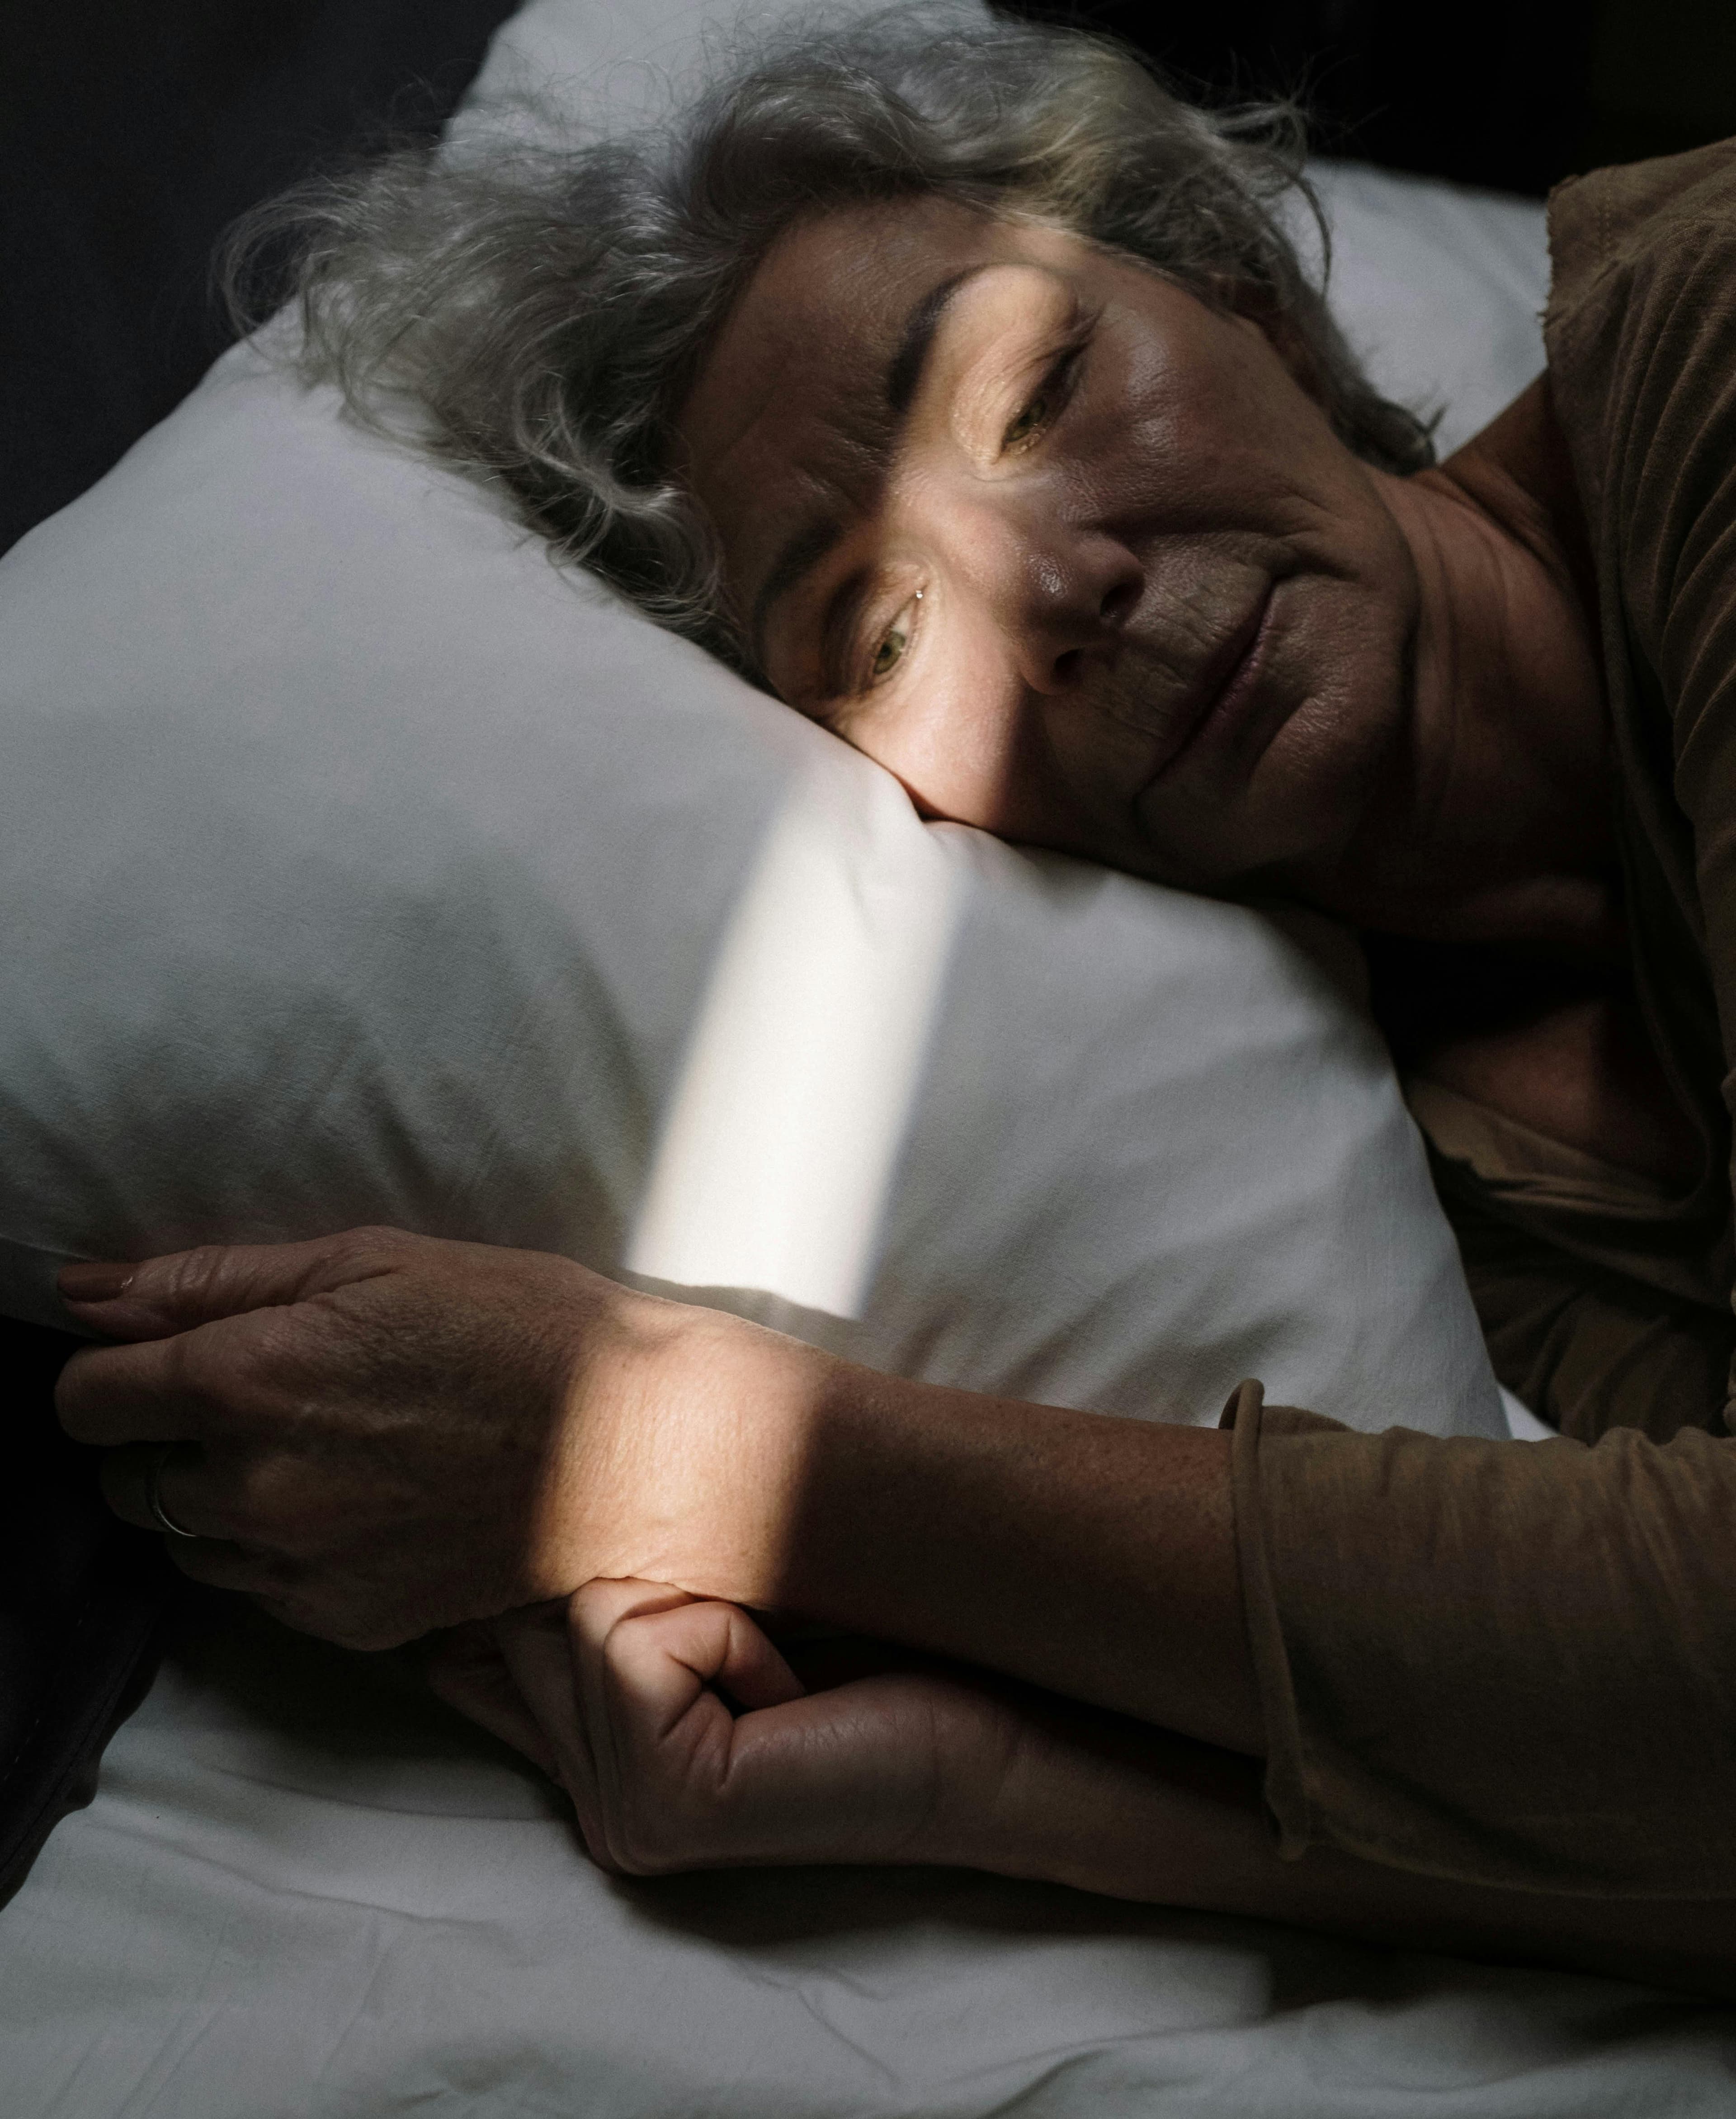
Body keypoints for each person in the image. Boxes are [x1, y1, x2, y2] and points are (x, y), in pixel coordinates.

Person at [52, 17, 1736, 1991]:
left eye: (1032, 388)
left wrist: (681, 1453)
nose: (1053, 589)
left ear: (1245, 289)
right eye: (883, 630)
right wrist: (971, 1792)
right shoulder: (1460, 1186)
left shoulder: (1703, 355)